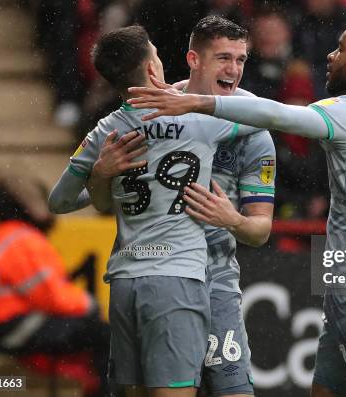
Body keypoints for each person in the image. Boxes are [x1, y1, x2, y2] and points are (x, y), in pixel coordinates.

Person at [128, 18, 346, 397]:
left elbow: (279, 115)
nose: (330, 55)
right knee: (327, 389)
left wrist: (194, 101)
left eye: (340, 48)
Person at [48, 25, 262, 397]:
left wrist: (101, 175)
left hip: (126, 280)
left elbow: (59, 201)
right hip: (175, 278)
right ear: (151, 70)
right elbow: (266, 114)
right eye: (159, 56)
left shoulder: (105, 131)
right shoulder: (202, 122)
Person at [0, 170, 110, 397]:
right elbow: (52, 297)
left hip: (1, 328)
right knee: (103, 335)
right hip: (11, 327)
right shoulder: (23, 241)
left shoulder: (7, 236)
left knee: (92, 332)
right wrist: (90, 305)